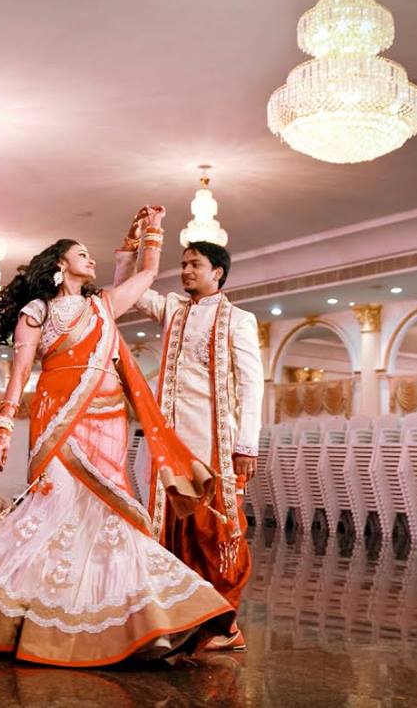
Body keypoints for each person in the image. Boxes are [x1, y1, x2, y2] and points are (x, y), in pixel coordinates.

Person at [0, 207, 237, 667]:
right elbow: (20, 372)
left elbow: (147, 272)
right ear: (61, 264)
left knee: (111, 516)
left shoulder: (102, 304)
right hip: (59, 418)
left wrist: (149, 233)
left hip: (109, 421)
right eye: (83, 254)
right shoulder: (37, 310)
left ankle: (145, 622)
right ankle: (18, 615)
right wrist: (2, 425)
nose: (92, 260)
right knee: (54, 509)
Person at [113, 233, 264, 651]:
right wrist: (134, 248)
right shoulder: (172, 310)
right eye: (182, 264)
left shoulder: (239, 320)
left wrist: (247, 445)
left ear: (217, 273)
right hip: (169, 443)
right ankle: (180, 616)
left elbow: (252, 385)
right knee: (169, 529)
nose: (184, 271)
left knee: (214, 529)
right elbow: (130, 291)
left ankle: (225, 626)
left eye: (193, 264)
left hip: (213, 442)